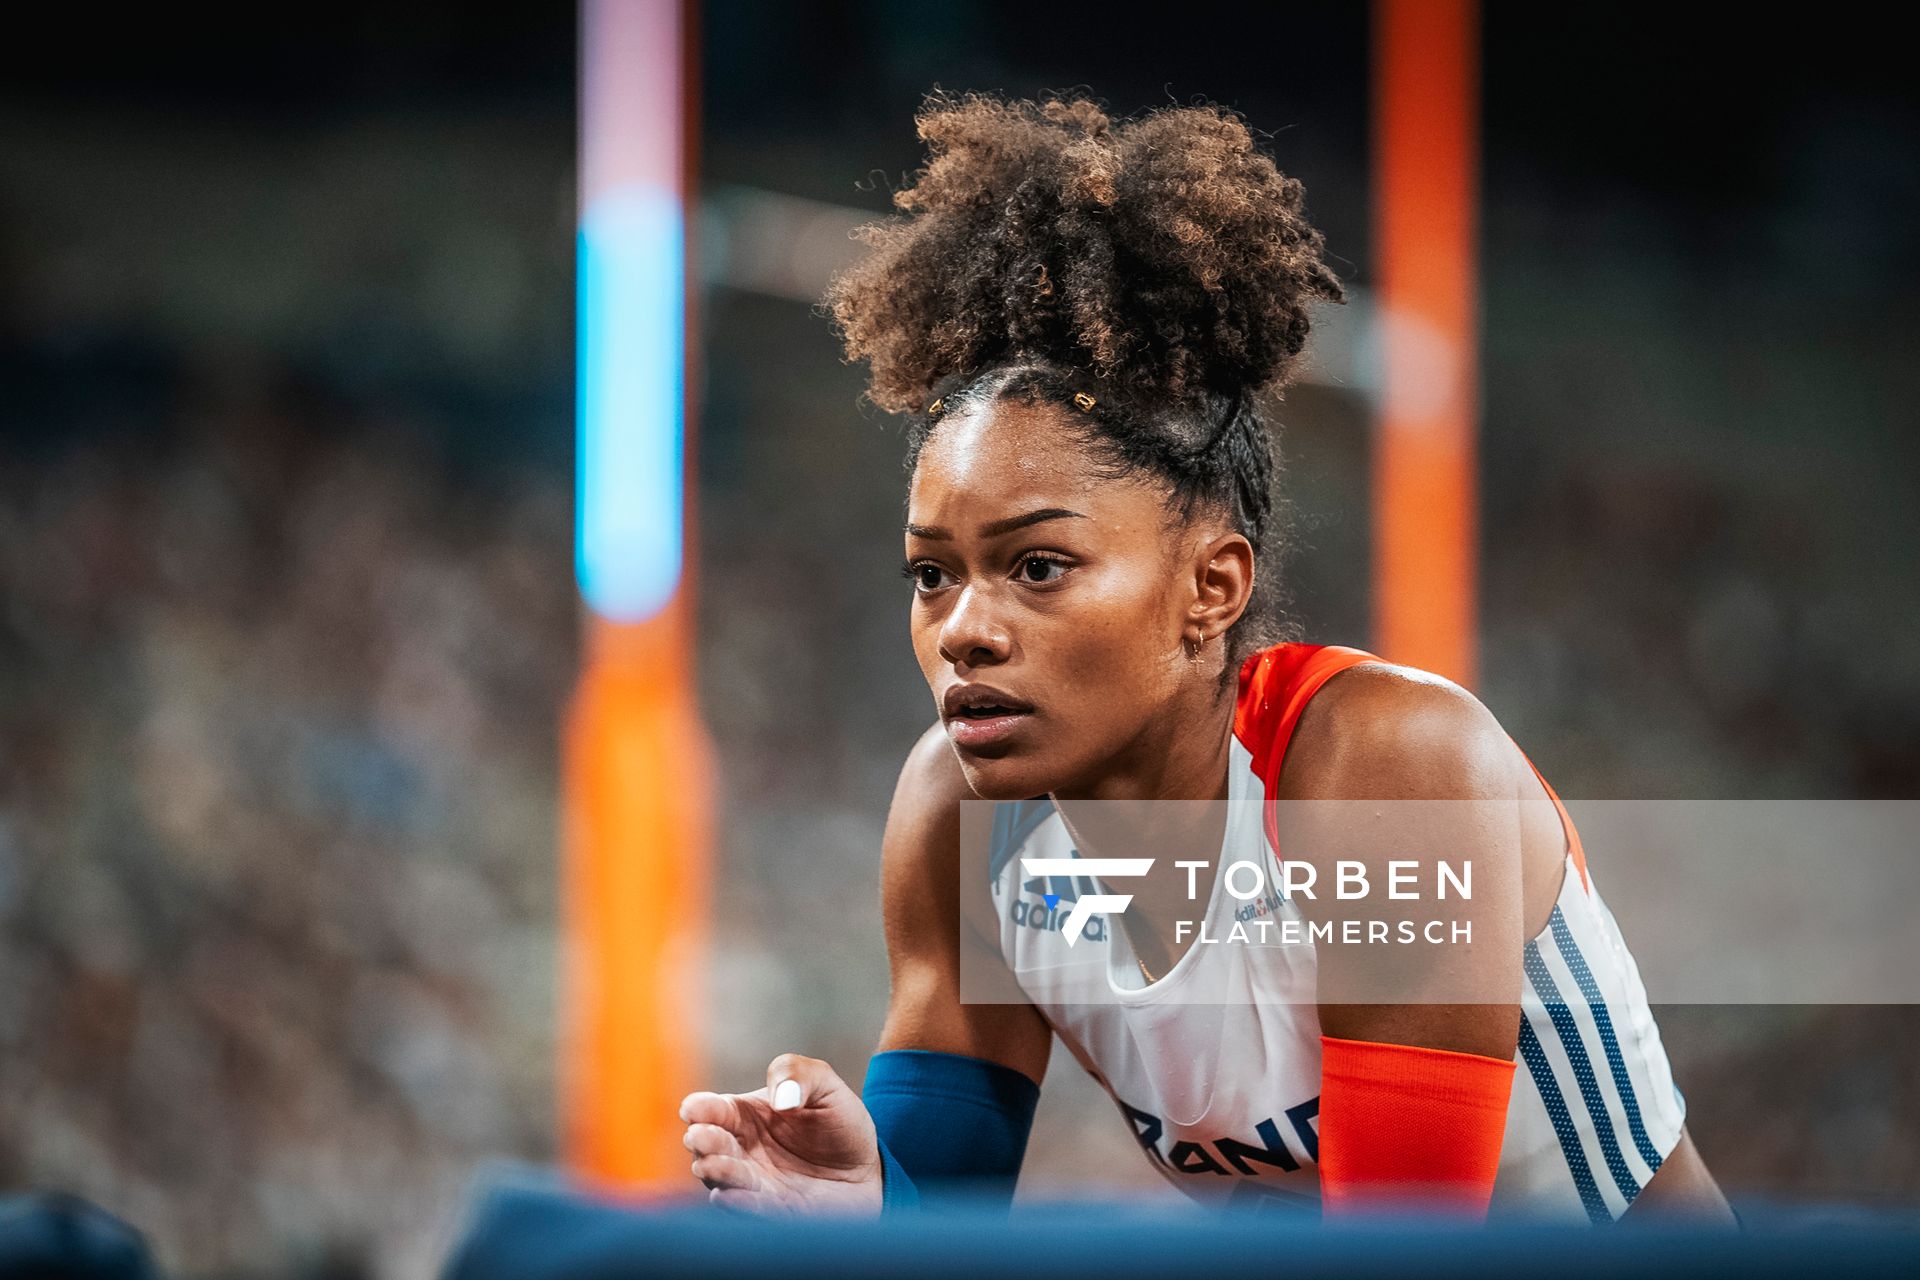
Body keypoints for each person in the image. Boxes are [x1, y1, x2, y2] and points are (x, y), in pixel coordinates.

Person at [679, 91, 1733, 1224]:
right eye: (932, 573)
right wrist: (872, 1219)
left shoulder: (1391, 770)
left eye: (1038, 565)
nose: (963, 627)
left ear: (1210, 588)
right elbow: (942, 1219)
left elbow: (1404, 1262)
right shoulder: (960, 822)